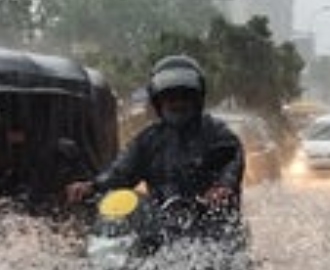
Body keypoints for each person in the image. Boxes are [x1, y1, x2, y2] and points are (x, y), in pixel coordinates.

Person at [65, 55, 244, 209]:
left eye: (185, 97)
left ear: (197, 99)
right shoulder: (148, 140)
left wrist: (223, 187)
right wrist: (92, 186)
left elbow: (232, 162)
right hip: (160, 226)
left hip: (213, 225)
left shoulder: (217, 134)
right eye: (170, 98)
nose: (177, 103)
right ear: (158, 102)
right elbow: (121, 173)